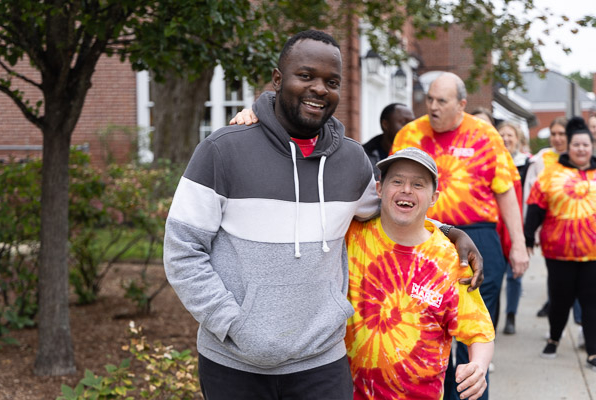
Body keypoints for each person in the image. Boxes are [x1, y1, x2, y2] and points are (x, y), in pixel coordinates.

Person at [165, 30, 483, 400]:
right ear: (278, 79)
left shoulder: (351, 162)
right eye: (306, 76)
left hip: (321, 362)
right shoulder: (223, 151)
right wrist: (232, 323)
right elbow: (182, 250)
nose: (319, 89)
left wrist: (449, 231)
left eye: (331, 82)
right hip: (233, 364)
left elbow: (393, 210)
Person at [391, 72, 529, 400]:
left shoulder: (484, 134)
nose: (433, 107)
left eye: (442, 101)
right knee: (424, 331)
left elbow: (505, 191)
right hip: (423, 237)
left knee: (472, 336)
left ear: (462, 104)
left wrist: (519, 244)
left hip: (478, 237)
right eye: (430, 99)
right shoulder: (410, 134)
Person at [345, 147, 495, 400]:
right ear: (379, 189)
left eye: (418, 184)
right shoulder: (351, 236)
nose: (406, 190)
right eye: (397, 181)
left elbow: (479, 331)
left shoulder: (451, 260)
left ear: (434, 197)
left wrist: (478, 366)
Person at [524, 116, 596, 370]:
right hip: (558, 252)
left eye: (585, 145)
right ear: (569, 146)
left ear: (591, 146)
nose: (581, 149)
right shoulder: (551, 173)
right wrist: (528, 237)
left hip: (593, 254)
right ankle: (554, 338)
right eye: (576, 144)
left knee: (591, 302)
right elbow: (535, 207)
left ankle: (593, 351)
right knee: (560, 300)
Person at [524, 117, 567, 318]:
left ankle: (579, 320)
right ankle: (554, 307)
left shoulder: (578, 157)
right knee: (555, 273)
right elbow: (530, 194)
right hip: (549, 227)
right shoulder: (541, 159)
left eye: (562, 134)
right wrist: (530, 230)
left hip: (576, 227)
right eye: (554, 134)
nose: (557, 138)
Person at [497, 121, 530, 335]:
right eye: (502, 134)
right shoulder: (490, 162)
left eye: (510, 135)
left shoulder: (526, 164)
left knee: (513, 275)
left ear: (517, 139)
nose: (506, 138)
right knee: (492, 278)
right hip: (495, 225)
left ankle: (511, 315)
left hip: (518, 223)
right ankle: (492, 318)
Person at [363, 103, 415, 179]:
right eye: (404, 123)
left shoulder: (419, 155)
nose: (410, 128)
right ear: (385, 124)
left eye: (413, 123)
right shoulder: (363, 156)